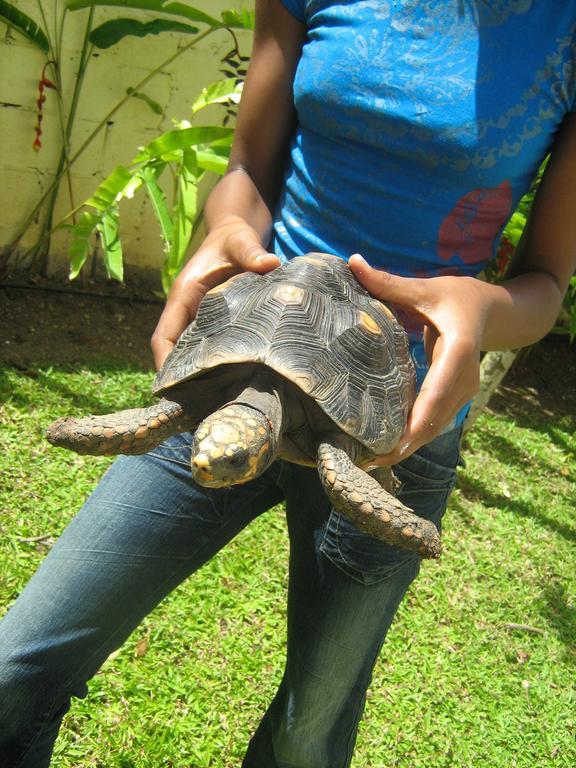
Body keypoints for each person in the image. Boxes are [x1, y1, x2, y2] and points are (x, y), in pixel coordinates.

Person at [1, 2, 575, 766]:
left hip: (394, 423)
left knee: (310, 733)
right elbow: (247, 169)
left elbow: (546, 282)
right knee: (17, 663)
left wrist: (480, 308)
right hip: (236, 374)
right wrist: (224, 232)